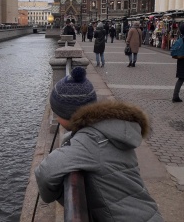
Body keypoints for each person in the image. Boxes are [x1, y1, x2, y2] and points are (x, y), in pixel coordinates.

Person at [35, 66, 163, 222]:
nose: (55, 116)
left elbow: (45, 172)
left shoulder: (89, 143)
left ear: (69, 115)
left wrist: (57, 195)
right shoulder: (108, 128)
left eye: (56, 112)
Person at [172, 24, 184, 103]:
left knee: (180, 79)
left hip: (181, 61)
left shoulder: (181, 39)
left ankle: (175, 96)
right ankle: (175, 96)